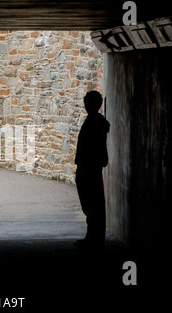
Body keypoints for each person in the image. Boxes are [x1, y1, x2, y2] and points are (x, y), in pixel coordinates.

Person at [74, 91, 110, 250]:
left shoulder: (95, 122)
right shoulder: (96, 122)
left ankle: (94, 238)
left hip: (89, 167)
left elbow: (95, 147)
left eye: (88, 103)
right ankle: (93, 237)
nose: (86, 106)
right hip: (90, 166)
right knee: (92, 203)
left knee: (91, 203)